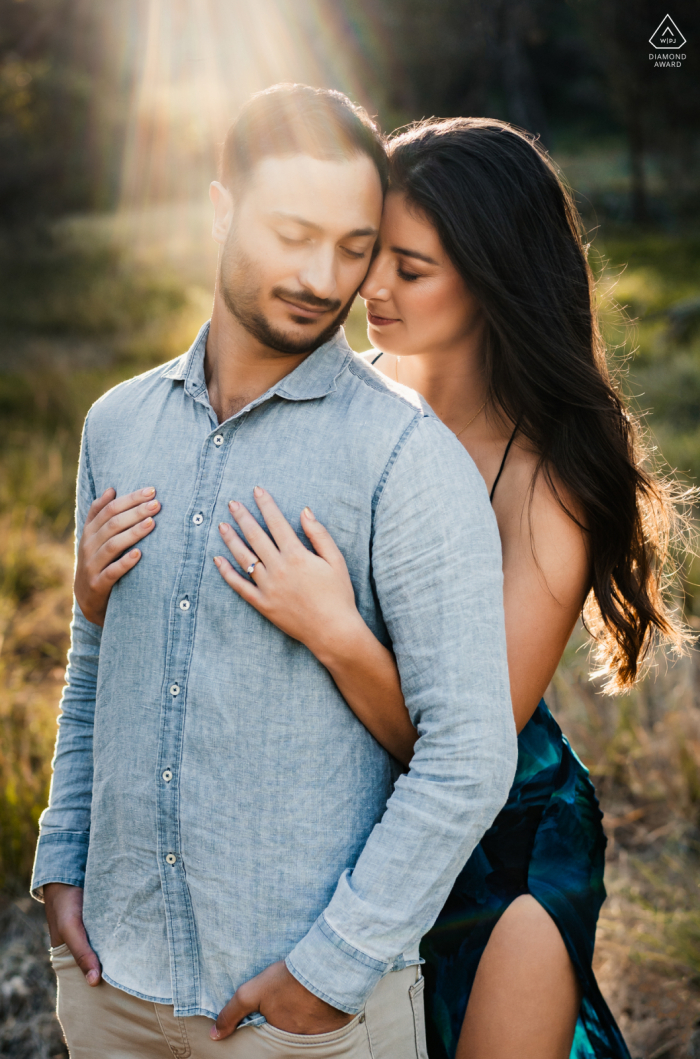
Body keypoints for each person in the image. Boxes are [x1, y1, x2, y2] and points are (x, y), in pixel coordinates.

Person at [89, 118, 689, 1059]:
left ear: (492, 278)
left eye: (409, 269)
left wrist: (335, 632)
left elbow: (464, 745)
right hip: (352, 839)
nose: (364, 288)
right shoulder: (346, 402)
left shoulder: (547, 481)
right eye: (373, 253)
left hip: (499, 846)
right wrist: (101, 592)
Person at [31, 87, 517, 1059]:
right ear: (221, 213)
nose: (322, 275)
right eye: (293, 233)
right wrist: (61, 860)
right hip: (109, 993)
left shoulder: (404, 460)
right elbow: (95, 658)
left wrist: (329, 973)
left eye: (351, 245)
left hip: (301, 1022)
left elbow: (469, 756)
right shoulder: (117, 424)